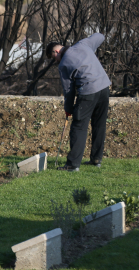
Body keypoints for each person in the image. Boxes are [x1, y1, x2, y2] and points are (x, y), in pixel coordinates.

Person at [47, 33, 111, 172]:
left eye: (54, 57)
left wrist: (68, 109)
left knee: (79, 127)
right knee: (99, 124)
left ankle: (73, 165)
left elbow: (69, 91)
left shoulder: (64, 64)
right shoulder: (84, 44)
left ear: (57, 51)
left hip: (88, 91)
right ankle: (96, 159)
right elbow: (100, 36)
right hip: (104, 87)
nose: (56, 60)